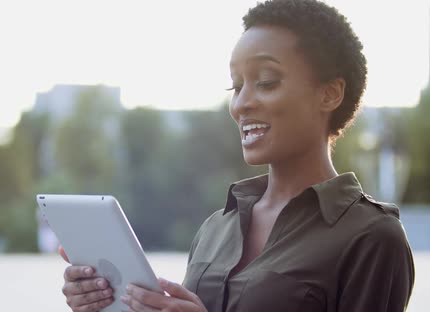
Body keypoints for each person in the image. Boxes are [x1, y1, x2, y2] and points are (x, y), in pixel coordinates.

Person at [58, 0, 415, 311]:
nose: (241, 104)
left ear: (329, 94)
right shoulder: (217, 227)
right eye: (236, 86)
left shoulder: (371, 237)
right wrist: (108, 304)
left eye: (266, 81)